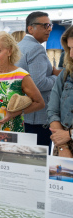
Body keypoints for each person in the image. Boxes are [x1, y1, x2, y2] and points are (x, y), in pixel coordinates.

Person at [0, 31, 45, 157]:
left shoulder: (21, 75)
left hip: (12, 132)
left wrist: (14, 113)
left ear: (9, 51)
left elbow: (40, 103)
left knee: (9, 172)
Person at [17, 11, 62, 151]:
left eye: (50, 25)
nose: (49, 29)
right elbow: (39, 83)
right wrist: (57, 77)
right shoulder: (36, 48)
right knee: (37, 164)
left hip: (24, 114)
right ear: (30, 28)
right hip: (37, 118)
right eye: (45, 25)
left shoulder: (20, 46)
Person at [47, 25, 73, 157]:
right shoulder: (66, 74)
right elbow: (52, 110)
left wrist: (69, 135)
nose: (71, 54)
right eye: (69, 48)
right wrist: (63, 147)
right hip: (62, 144)